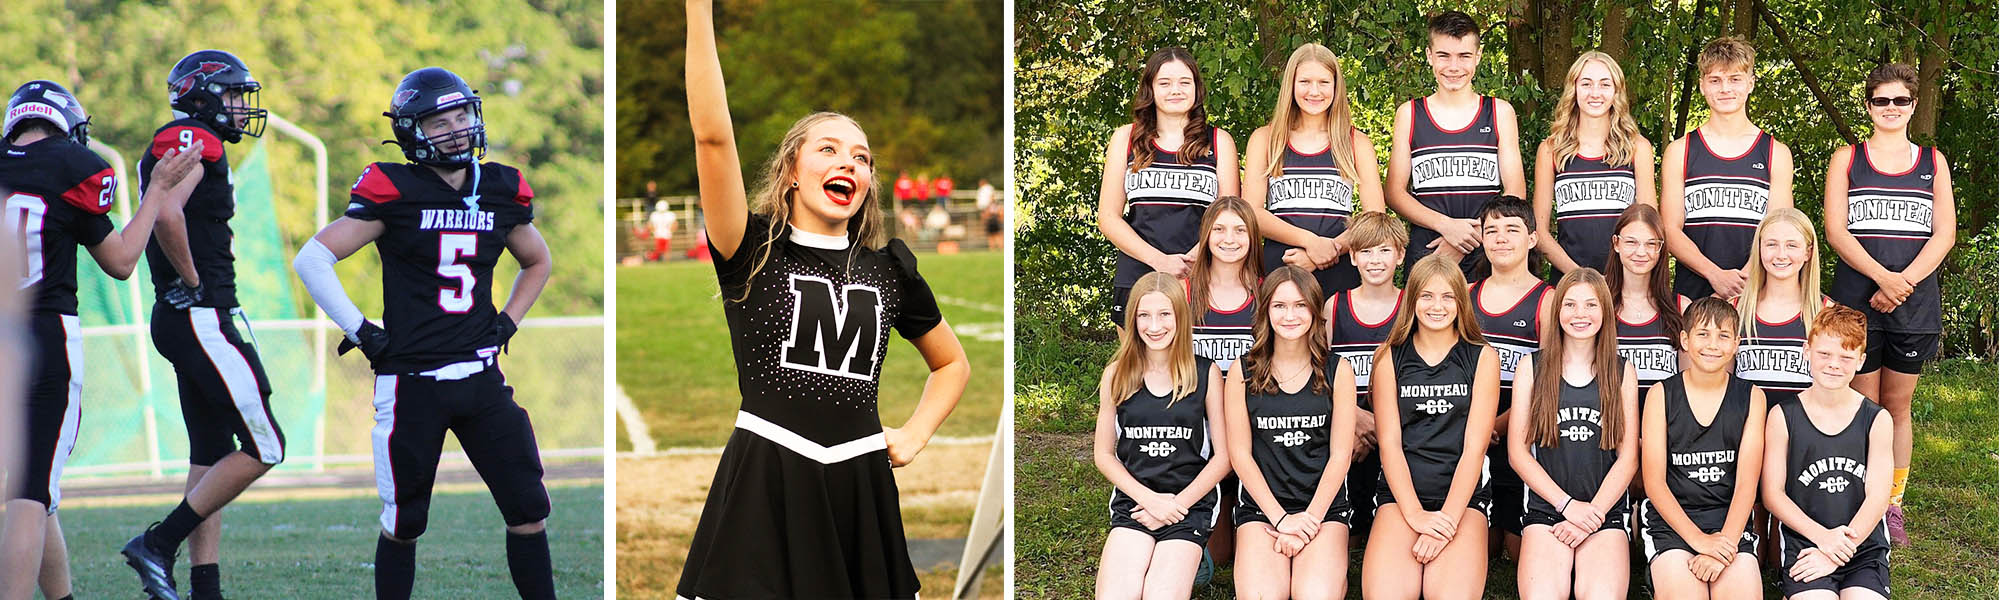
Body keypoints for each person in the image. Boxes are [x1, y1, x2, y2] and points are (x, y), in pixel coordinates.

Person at [676, 3, 971, 598]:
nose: (849, 164)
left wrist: (913, 434)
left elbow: (952, 364)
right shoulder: (751, 247)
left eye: (861, 157)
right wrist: (698, 11)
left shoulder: (891, 268)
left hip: (860, 484)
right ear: (790, 170)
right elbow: (712, 136)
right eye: (829, 150)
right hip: (770, 475)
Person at [290, 66, 558, 600]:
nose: (457, 129)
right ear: (414, 131)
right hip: (412, 382)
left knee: (528, 506)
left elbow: (538, 261)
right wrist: (362, 330)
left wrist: (508, 320)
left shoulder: (500, 188)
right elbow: (314, 257)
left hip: (483, 379)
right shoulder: (396, 189)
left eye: (462, 116)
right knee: (406, 520)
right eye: (441, 122)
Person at [0, 79, 202, 600]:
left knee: (37, 487)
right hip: (42, 335)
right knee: (27, 491)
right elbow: (121, 261)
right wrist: (156, 190)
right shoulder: (73, 166)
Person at [121, 49, 283, 600]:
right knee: (267, 445)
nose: (241, 107)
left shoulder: (186, 140)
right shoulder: (196, 138)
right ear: (205, 94)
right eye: (235, 95)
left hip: (184, 317)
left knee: (210, 456)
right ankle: (157, 544)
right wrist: (194, 281)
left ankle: (204, 590)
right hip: (202, 315)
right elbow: (165, 211)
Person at [1823, 62, 1955, 546]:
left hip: (1913, 306)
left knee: (1898, 407)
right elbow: (1836, 231)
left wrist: (1902, 284)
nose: (1892, 109)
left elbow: (1945, 233)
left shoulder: (1932, 162)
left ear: (1913, 105)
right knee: (1861, 405)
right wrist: (1881, 278)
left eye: (1901, 100)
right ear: (1868, 106)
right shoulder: (1848, 159)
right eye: (1882, 100)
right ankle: (1857, 500)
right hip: (1858, 302)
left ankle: (1891, 504)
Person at [1361, 253, 1500, 600]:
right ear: (1412, 300)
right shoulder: (1389, 356)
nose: (1437, 306)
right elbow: (1389, 442)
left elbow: (1475, 447)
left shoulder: (1482, 356)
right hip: (1401, 496)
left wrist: (1445, 522)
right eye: (1426, 295)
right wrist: (1415, 515)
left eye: (1447, 296)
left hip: (1463, 499)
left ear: (1460, 302)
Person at [1091, 271, 1229, 600]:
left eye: (1164, 314)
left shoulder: (1205, 373)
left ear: (1180, 316)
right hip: (1135, 504)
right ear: (1133, 319)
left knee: (1160, 594)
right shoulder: (1117, 374)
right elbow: (1104, 455)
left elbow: (1223, 457)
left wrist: (1176, 505)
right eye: (1144, 315)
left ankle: (1191, 556)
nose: (1155, 326)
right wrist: (1150, 500)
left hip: (1189, 506)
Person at [1225, 266, 1358, 598]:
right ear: (1266, 310)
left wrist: (1310, 519)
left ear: (1315, 310)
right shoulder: (1242, 372)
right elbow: (1240, 455)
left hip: (1323, 509)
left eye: (1300, 305)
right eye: (1279, 306)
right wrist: (1281, 519)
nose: (1290, 315)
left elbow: (1341, 455)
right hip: (1262, 509)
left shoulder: (1337, 369)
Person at [1507, 268, 1640, 599]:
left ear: (1605, 312)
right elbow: (1518, 454)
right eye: (1570, 305)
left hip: (1604, 512)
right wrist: (1567, 506)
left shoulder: (1622, 372)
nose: (1581, 314)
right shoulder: (1532, 368)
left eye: (1591, 305)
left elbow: (1628, 458)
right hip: (1547, 510)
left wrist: (1590, 514)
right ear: (1557, 311)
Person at [1096, 47, 1238, 326]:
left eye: (1185, 82)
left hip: (1200, 272)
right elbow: (1108, 217)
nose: (1176, 90)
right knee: (1137, 368)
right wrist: (1159, 261)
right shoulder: (1126, 138)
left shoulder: (1219, 142)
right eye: (1165, 82)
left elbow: (1232, 218)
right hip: (1138, 272)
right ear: (1150, 88)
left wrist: (1194, 258)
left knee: (1196, 368)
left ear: (1197, 88)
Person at [1762, 305, 1893, 599]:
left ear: (1861, 361)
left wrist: (1837, 551)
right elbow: (1773, 494)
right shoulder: (1783, 416)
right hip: (1806, 541)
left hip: (1862, 546)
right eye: (1824, 354)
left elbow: (1878, 496)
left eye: (1846, 357)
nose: (1834, 364)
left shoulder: (1876, 419)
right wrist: (1823, 540)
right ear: (1807, 351)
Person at [1639, 298, 1766, 598]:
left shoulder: (1751, 397)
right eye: (1703, 333)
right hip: (1673, 522)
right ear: (1684, 339)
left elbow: (1747, 484)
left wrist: (1722, 546)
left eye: (1723, 336)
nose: (1713, 344)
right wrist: (1699, 540)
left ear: (1736, 343)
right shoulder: (1661, 395)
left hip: (1728, 522)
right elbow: (1654, 483)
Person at [1385, 10, 1526, 277]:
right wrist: (1446, 227)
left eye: (1463, 56)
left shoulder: (1499, 112)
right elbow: (1394, 192)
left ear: (1478, 56)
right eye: (1443, 56)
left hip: (1488, 250)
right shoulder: (1410, 114)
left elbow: (1515, 191)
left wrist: (1468, 237)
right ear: (1429, 56)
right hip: (1431, 248)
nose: (1453, 67)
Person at [1661, 36, 1795, 301]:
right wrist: (1714, 274)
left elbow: (1779, 230)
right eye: (1715, 80)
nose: (1725, 89)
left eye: (1735, 79)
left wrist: (1743, 281)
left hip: (1756, 293)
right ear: (1701, 86)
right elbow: (1669, 229)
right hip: (1693, 294)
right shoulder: (1680, 152)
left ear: (1750, 84)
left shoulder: (1775, 153)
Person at [1244, 43, 1384, 296]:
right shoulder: (1265, 139)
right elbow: (1252, 212)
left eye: (1323, 82)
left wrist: (1330, 249)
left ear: (1336, 86)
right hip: (1283, 266)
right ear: (1291, 85)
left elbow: (1374, 217)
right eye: (1305, 82)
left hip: (1341, 271)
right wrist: (1310, 243)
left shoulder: (1356, 142)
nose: (1314, 91)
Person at [1468, 195, 1553, 554]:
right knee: (1481, 545)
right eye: (1492, 231)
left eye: (1512, 230)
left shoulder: (1547, 298)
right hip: (1470, 422)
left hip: (1519, 423)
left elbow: (1548, 379)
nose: (1501, 238)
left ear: (1532, 238)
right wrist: (1476, 427)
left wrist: (1500, 425)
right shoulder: (1465, 294)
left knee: (1518, 548)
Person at [1323, 210, 1408, 539]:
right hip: (1348, 422)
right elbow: (1322, 373)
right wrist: (1354, 418)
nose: (1376, 260)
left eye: (1385, 250)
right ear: (1354, 257)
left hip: (1397, 424)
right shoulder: (1335, 305)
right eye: (1367, 251)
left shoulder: (1410, 307)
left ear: (1400, 256)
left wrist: (1382, 424)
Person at [1532, 51, 1655, 278]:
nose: (1595, 93)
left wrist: (1622, 276)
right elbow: (1539, 231)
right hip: (1569, 280)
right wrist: (1579, 275)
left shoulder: (1637, 147)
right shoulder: (1551, 150)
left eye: (1605, 84)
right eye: (1586, 83)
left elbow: (1650, 227)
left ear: (1616, 91)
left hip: (1624, 281)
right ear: (1574, 88)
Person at [1735, 208, 1832, 408]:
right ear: (1759, 248)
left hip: (1806, 434)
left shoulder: (1827, 313)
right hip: (1745, 433)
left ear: (1808, 252)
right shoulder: (1735, 309)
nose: (1781, 255)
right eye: (1771, 244)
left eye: (1792, 245)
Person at [1608, 204, 1691, 391]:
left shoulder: (1681, 308)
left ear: (1661, 249)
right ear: (1616, 244)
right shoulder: (1598, 304)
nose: (1641, 252)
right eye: (1631, 242)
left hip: (1665, 419)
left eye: (1651, 243)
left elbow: (1687, 389)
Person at [1188, 196, 1261, 372]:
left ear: (1252, 235)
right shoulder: (1183, 291)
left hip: (1250, 398)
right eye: (1219, 229)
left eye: (1240, 230)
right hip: (1195, 398)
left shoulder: (1267, 292)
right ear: (1206, 234)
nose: (1229, 239)